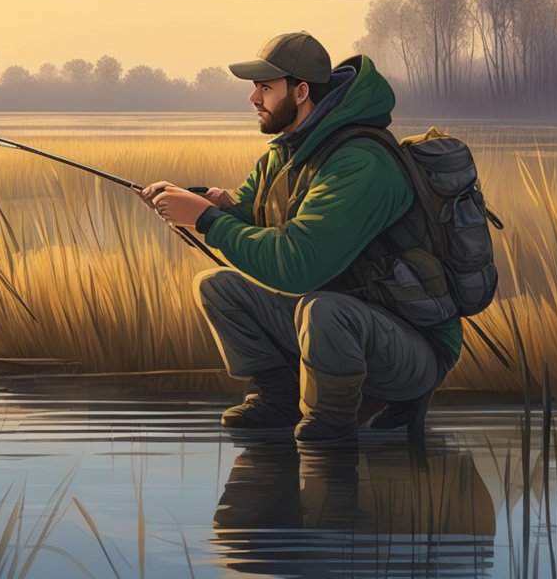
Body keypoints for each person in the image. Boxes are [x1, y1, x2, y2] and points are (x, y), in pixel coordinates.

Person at [142, 31, 462, 447]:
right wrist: (215, 207)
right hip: (341, 326)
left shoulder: (361, 162)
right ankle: (278, 399)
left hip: (412, 347)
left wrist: (206, 222)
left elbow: (299, 265)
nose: (253, 99)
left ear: (301, 91)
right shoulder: (286, 153)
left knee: (323, 308)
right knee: (218, 287)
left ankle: (329, 426)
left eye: (265, 88)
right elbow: (258, 221)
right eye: (256, 88)